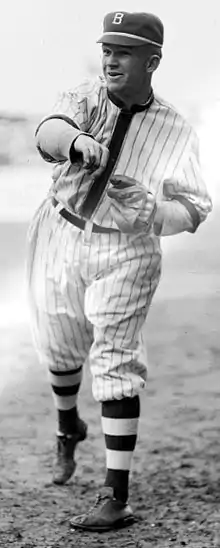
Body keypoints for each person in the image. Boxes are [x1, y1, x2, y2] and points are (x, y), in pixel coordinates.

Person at [27, 11, 212, 532]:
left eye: (124, 51)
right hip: (59, 232)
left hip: (128, 250)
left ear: (151, 62)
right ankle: (69, 425)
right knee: (59, 348)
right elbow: (48, 131)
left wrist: (155, 213)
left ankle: (116, 493)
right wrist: (73, 142)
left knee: (115, 358)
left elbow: (196, 208)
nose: (110, 58)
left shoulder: (175, 129)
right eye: (107, 48)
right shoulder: (83, 99)